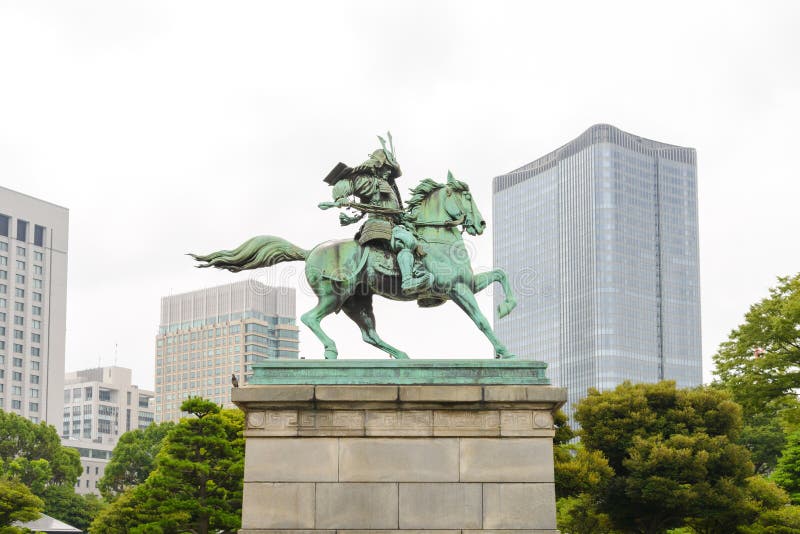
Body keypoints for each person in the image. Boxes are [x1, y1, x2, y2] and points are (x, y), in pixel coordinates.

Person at [321, 136, 433, 295]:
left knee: (417, 239)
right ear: (378, 166)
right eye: (387, 167)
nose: (389, 171)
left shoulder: (390, 187)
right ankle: (408, 281)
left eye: (391, 170)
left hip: (393, 225)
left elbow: (398, 213)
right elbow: (346, 184)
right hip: (379, 225)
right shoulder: (369, 181)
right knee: (407, 240)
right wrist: (341, 198)